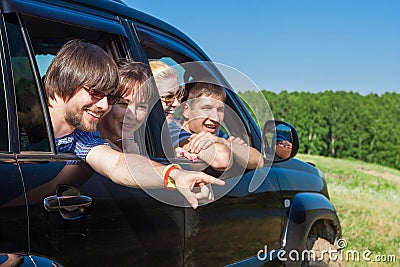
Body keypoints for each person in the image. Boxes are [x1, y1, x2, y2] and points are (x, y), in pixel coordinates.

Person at [44, 39, 224, 209]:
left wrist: (175, 175)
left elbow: (116, 164)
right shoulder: (20, 122)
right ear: (64, 82)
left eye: (109, 97)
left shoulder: (82, 138)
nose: (104, 105)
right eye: (96, 93)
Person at [177, 82, 264, 170]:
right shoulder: (176, 133)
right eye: (206, 108)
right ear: (186, 110)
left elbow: (259, 161)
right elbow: (222, 159)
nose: (216, 118)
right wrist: (235, 148)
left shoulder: (215, 135)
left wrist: (225, 143)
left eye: (220, 110)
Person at [97, 60, 153, 153]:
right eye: (123, 104)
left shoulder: (129, 143)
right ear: (105, 101)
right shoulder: (82, 141)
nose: (132, 115)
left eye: (141, 107)